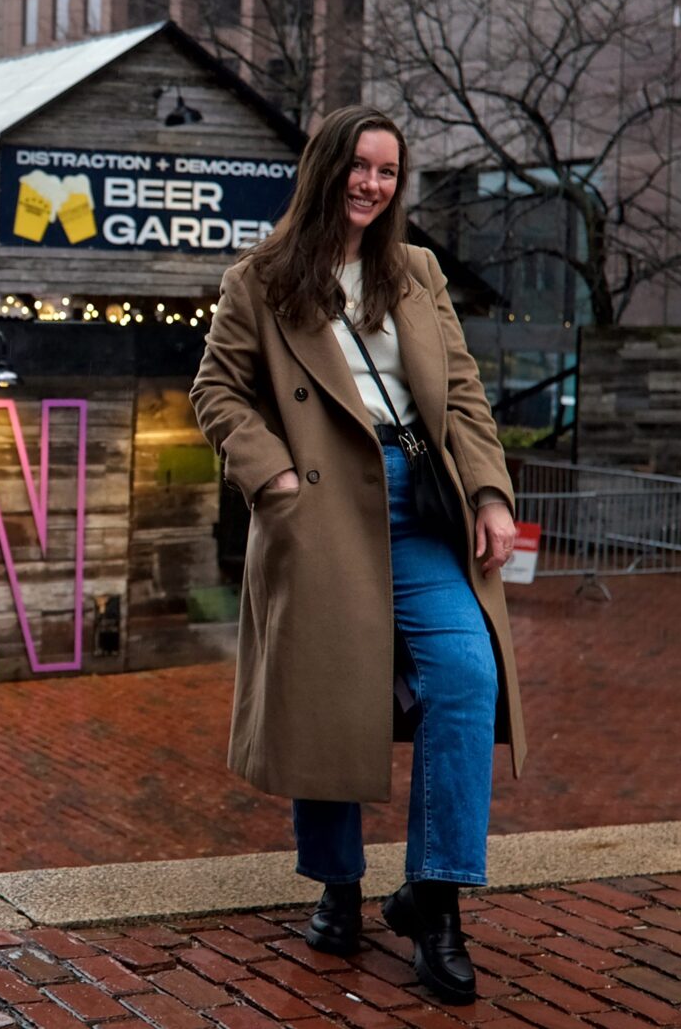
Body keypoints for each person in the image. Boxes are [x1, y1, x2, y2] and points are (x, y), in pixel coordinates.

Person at [189, 105, 525, 1006]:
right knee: (331, 692)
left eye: (388, 170)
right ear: (327, 166)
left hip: (422, 499)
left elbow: (460, 387)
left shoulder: (414, 270)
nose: (373, 184)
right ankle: (338, 887)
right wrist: (277, 483)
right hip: (325, 501)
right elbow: (217, 391)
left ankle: (436, 896)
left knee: (465, 674)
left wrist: (490, 492)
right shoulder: (259, 278)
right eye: (360, 166)